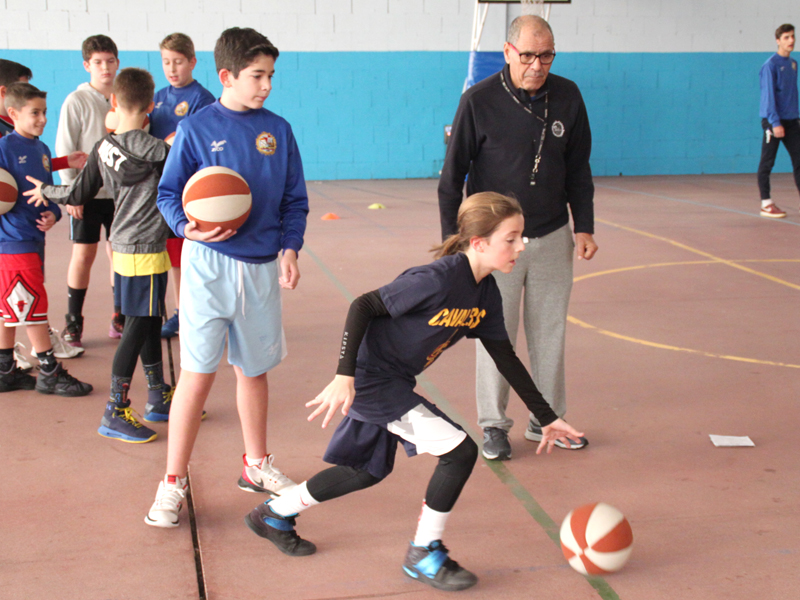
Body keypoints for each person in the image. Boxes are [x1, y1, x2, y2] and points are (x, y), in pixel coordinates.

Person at [243, 193, 585, 592]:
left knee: (365, 471)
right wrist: (344, 375)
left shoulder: (486, 292)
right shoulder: (438, 279)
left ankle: (273, 514)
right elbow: (364, 305)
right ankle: (423, 552)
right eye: (511, 238)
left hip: (395, 380)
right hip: (372, 379)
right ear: (479, 243)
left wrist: (547, 416)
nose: (521, 246)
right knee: (459, 452)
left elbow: (504, 357)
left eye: (521, 237)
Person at [144, 27, 309, 527]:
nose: (267, 85)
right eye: (257, 75)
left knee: (253, 371)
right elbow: (168, 193)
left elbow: (294, 200)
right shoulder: (196, 129)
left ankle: (256, 464)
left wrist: (290, 248)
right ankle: (173, 481)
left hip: (260, 267)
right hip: (208, 268)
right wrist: (185, 226)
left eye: (271, 75)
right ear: (227, 75)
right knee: (197, 374)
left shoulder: (278, 130)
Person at [438, 15, 597, 461]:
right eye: (527, 55)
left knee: (550, 335)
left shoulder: (568, 96)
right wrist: (454, 246)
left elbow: (579, 168)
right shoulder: (478, 101)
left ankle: (548, 420)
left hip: (552, 234)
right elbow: (451, 180)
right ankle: (493, 425)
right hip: (494, 244)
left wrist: (583, 225)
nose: (537, 65)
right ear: (508, 52)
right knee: (495, 334)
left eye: (546, 56)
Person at [26, 68, 175, 442]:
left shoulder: (103, 147)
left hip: (123, 248)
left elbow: (77, 194)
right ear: (150, 106)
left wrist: (46, 190)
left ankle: (157, 396)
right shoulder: (162, 153)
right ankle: (115, 410)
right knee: (139, 326)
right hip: (147, 250)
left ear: (114, 101)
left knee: (149, 322)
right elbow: (184, 195)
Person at [0, 82, 93, 397]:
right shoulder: (3, 148)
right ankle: (50, 372)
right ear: (13, 113)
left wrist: (54, 212)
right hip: (13, 241)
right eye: (35, 113)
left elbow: (47, 191)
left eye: (44, 112)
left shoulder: (41, 149)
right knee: (32, 305)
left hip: (33, 237)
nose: (42, 119)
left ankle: (4, 370)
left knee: (9, 307)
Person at [56, 34, 122, 349]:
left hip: (119, 194)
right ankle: (73, 322)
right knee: (84, 253)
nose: (104, 67)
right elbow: (65, 147)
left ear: (117, 63)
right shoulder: (76, 100)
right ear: (87, 65)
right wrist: (73, 192)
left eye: (110, 61)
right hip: (87, 193)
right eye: (98, 62)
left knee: (119, 254)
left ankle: (120, 315)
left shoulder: (123, 97)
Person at [150, 33, 216, 338]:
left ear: (192, 62)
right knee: (171, 256)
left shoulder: (202, 99)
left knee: (192, 254)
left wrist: (175, 145)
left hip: (188, 188)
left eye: (178, 61)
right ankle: (179, 310)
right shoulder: (158, 97)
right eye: (166, 62)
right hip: (161, 187)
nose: (172, 68)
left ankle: (190, 312)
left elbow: (203, 142)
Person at [757, 23, 800, 219]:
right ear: (778, 40)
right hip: (774, 121)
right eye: (786, 37)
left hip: (792, 121)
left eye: (793, 36)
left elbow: (791, 95)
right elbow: (769, 96)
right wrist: (775, 122)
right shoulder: (770, 65)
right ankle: (766, 203)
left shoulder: (793, 64)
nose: (791, 40)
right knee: (767, 162)